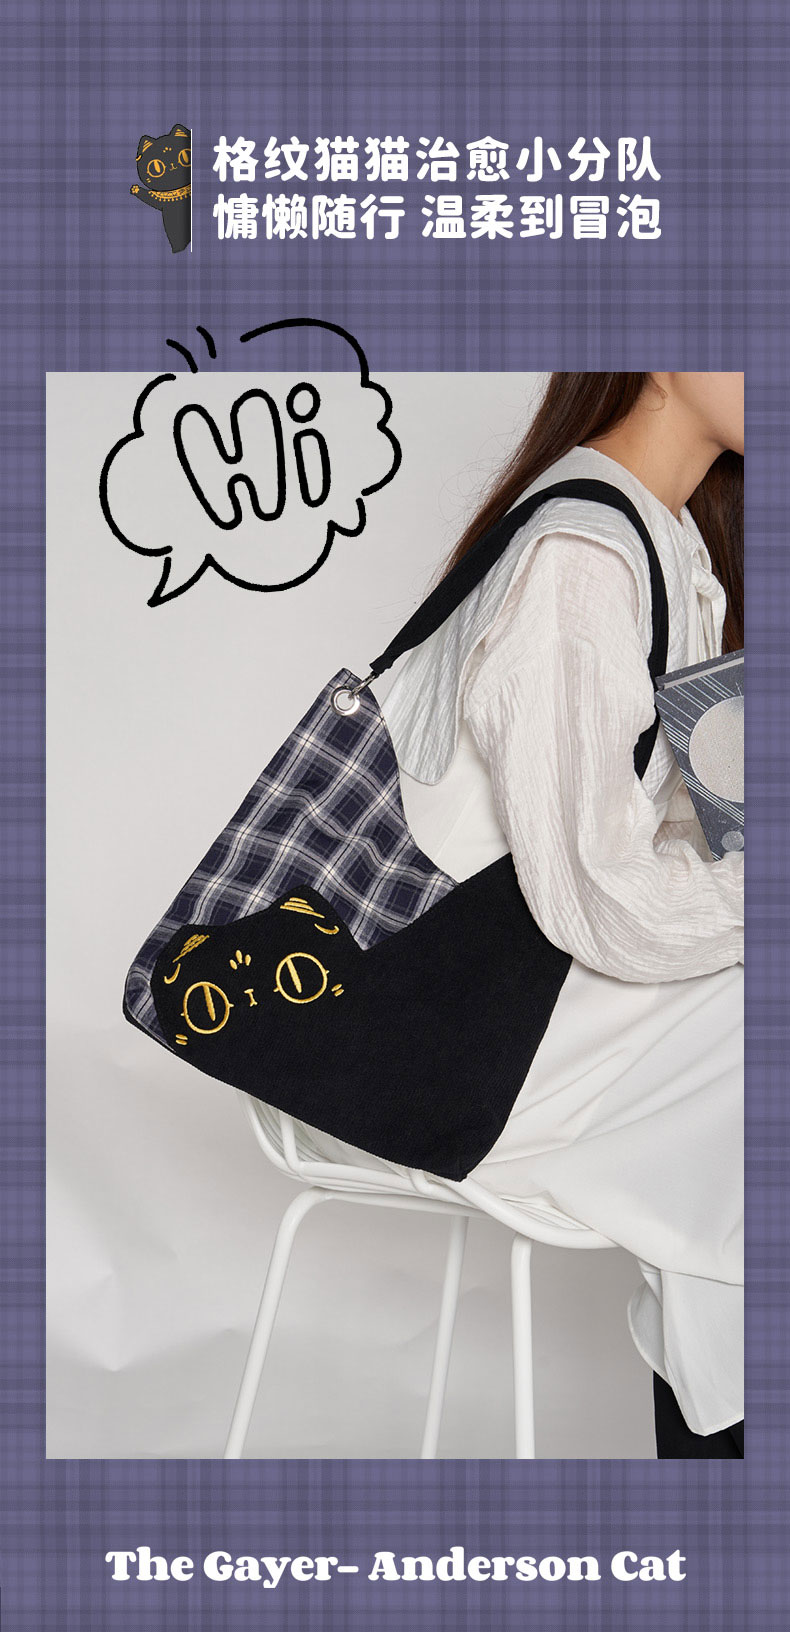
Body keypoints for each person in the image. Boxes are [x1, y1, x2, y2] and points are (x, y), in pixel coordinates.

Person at [309, 372, 744, 1458]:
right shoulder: (581, 555)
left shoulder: (669, 540)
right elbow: (601, 897)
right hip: (442, 1050)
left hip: (513, 1016)